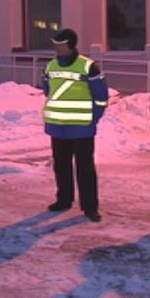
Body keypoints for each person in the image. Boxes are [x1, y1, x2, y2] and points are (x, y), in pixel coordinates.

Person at [42, 29, 109, 222]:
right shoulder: (50, 66)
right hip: (58, 126)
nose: (56, 47)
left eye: (59, 44)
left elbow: (101, 96)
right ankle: (64, 199)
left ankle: (90, 206)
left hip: (81, 128)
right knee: (61, 166)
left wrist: (92, 119)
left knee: (85, 168)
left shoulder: (88, 66)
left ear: (70, 45)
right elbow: (48, 90)